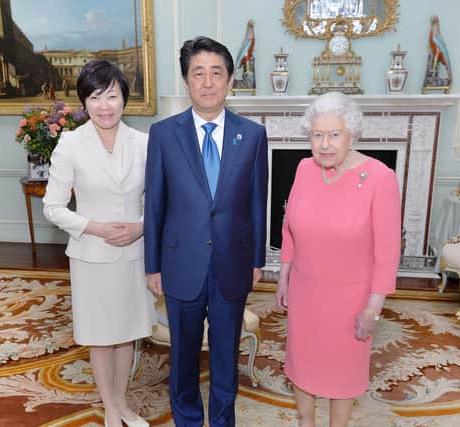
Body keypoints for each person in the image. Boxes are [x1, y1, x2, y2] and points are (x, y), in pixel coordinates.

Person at [144, 36, 268, 427]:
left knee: (224, 356)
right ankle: (187, 421)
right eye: (199, 73)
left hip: (234, 263)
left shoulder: (252, 135)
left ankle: (222, 420)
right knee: (182, 357)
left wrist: (258, 260)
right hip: (181, 264)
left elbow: (257, 202)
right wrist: (153, 266)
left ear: (230, 80)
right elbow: (155, 207)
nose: (208, 82)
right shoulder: (164, 135)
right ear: (186, 82)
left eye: (217, 73)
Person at [275, 92, 400, 427]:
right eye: (317, 135)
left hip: (350, 302)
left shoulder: (380, 178)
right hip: (305, 293)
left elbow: (388, 253)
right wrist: (284, 276)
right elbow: (290, 228)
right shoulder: (304, 169)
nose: (325, 144)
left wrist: (373, 307)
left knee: (341, 380)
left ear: (353, 135)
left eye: (334, 135)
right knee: (303, 369)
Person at [43, 59, 154, 427]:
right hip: (91, 255)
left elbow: (158, 203)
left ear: (124, 99)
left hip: (133, 255)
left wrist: (139, 228)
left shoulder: (144, 143)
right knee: (101, 337)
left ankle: (121, 403)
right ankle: (110, 407)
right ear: (84, 103)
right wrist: (96, 228)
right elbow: (53, 208)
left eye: (112, 96)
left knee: (126, 334)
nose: (104, 106)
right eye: (95, 97)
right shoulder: (71, 143)